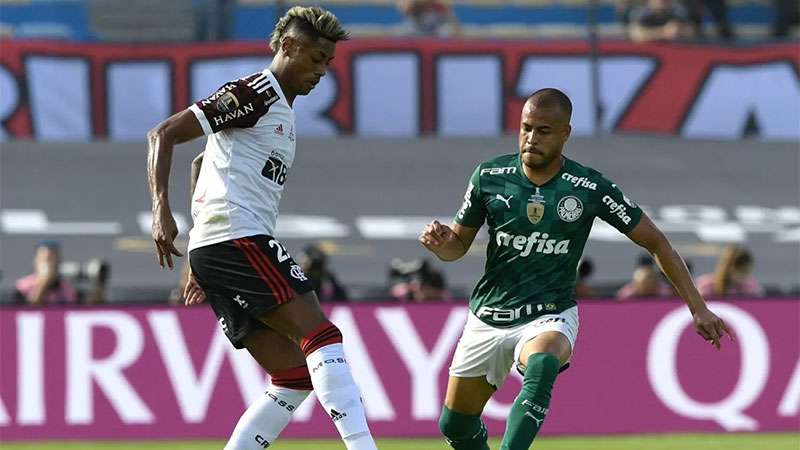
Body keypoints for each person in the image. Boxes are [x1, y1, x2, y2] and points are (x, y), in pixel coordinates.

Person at [419, 88, 733, 450]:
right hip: (488, 314)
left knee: (541, 365)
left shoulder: (588, 188)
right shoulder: (489, 176)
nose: (531, 139)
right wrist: (443, 245)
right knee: (455, 424)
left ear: (565, 133)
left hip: (550, 313)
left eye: (543, 131)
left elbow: (657, 242)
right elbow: (456, 247)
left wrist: (698, 307)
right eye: (526, 128)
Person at [146, 6, 377, 450]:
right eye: (315, 58)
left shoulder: (281, 113)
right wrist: (161, 210)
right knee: (321, 336)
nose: (322, 71)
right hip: (239, 237)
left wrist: (198, 247)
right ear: (288, 46)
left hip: (219, 246)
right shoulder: (256, 92)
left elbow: (203, 163)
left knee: (292, 377)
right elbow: (164, 134)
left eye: (328, 63)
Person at [14, 241, 78, 305]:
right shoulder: (22, 287)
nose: (51, 264)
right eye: (46, 259)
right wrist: (43, 283)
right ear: (36, 261)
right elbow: (26, 311)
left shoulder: (68, 289)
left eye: (55, 259)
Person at [695, 245, 764, 298]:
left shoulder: (752, 288)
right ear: (730, 268)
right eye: (743, 271)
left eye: (748, 271)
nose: (745, 275)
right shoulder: (706, 286)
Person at [627, 0, 695, 42]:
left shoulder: (678, 10)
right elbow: (636, 35)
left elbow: (691, 31)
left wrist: (679, 30)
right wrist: (663, 32)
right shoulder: (640, 11)